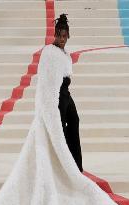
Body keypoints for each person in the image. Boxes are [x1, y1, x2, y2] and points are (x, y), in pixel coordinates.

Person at [51, 14, 81, 172]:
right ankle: (63, 166)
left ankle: (75, 165)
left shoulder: (65, 54)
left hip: (66, 93)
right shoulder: (50, 52)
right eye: (59, 35)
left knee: (74, 120)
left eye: (64, 36)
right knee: (60, 127)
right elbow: (47, 79)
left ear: (68, 36)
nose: (62, 38)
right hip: (57, 94)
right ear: (55, 35)